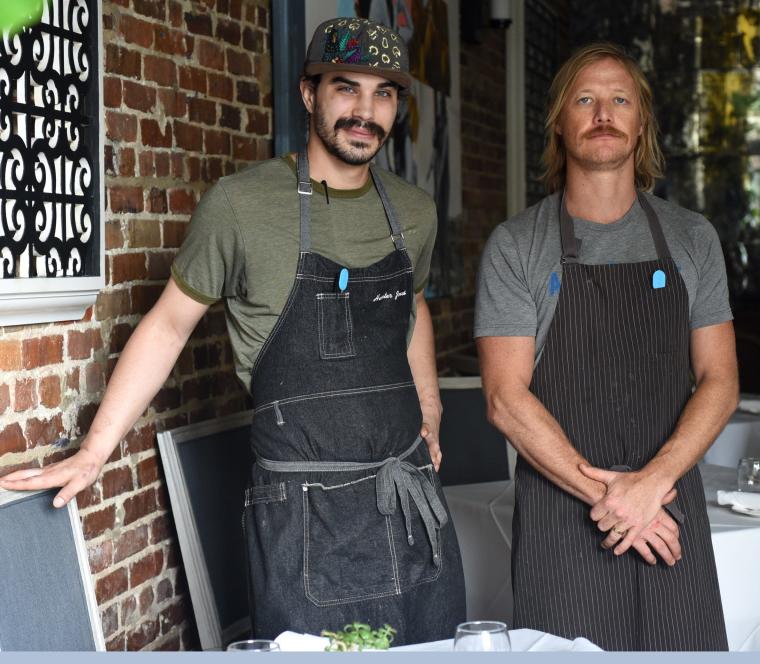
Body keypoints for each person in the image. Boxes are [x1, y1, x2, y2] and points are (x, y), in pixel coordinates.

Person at [0, 17, 465, 645]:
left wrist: (430, 406)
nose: (365, 110)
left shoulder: (414, 211)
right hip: (307, 521)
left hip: (413, 505)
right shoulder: (241, 205)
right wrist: (94, 450)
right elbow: (167, 325)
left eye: (383, 93)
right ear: (309, 92)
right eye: (346, 88)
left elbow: (409, 308)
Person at [475, 42, 736, 651]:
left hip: (669, 508)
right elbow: (504, 399)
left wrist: (653, 484)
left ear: (641, 121)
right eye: (585, 100)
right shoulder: (517, 245)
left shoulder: (692, 238)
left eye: (620, 99)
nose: (603, 113)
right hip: (563, 518)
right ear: (560, 122)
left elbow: (720, 380)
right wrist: (614, 499)